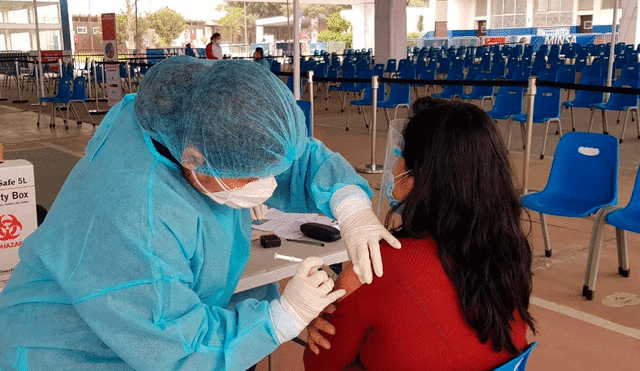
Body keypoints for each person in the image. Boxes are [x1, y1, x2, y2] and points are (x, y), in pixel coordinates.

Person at [0, 57, 400, 371]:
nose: (270, 185)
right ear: (194, 161)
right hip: (74, 351)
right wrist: (280, 318)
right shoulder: (136, 218)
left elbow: (284, 152)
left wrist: (350, 205)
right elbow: (175, 349)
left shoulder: (181, 115)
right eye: (250, 178)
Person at [303, 98, 537, 371]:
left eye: (401, 154)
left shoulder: (372, 269)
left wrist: (315, 317)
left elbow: (318, 364)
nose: (394, 167)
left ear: (421, 175)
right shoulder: (509, 253)